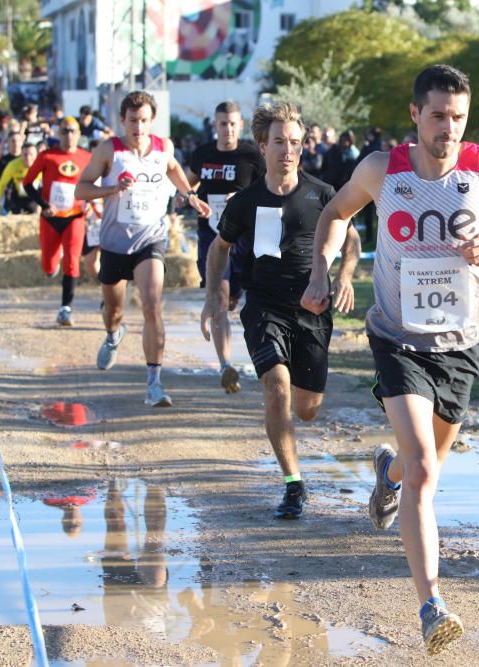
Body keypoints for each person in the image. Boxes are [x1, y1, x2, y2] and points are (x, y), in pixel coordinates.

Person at [301, 64, 479, 654]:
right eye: (438, 116)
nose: (449, 128)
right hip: (397, 336)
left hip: (461, 341)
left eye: (458, 117)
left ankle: (387, 476)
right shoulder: (383, 169)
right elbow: (336, 214)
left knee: (420, 464)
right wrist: (322, 266)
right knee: (427, 471)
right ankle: (432, 605)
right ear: (416, 115)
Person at [200, 101, 361, 519]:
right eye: (278, 142)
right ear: (262, 146)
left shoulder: (323, 195)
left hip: (312, 308)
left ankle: (289, 424)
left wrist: (343, 277)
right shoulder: (245, 202)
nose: (287, 150)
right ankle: (293, 483)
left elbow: (353, 241)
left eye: (294, 142)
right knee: (276, 387)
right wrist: (213, 293)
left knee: (307, 410)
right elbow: (219, 249)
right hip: (264, 305)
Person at [75, 91, 210, 407]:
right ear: (123, 121)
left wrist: (190, 195)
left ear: (152, 121)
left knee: (152, 304)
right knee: (114, 311)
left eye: (144, 120)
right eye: (133, 121)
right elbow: (81, 189)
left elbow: (174, 168)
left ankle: (154, 383)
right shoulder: (110, 149)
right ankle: (112, 335)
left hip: (150, 238)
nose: (138, 127)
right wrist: (112, 189)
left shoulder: (163, 147)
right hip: (113, 244)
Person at [187, 101, 266, 394]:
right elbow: (187, 184)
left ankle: (233, 301)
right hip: (212, 236)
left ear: (241, 125)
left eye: (233, 124)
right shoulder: (203, 154)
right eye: (223, 124)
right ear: (215, 125)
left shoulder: (251, 155)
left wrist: (242, 196)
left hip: (245, 238)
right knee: (219, 299)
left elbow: (267, 188)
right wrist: (190, 197)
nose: (228, 129)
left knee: (233, 299)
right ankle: (225, 365)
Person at [22, 117, 92, 326]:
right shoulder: (47, 156)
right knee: (49, 265)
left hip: (75, 216)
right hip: (51, 218)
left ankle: (65, 309)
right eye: (65, 131)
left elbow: (96, 183)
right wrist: (43, 205)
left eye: (72, 131)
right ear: (58, 133)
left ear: (79, 134)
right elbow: (27, 183)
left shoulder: (87, 157)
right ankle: (52, 266)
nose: (69, 135)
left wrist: (89, 201)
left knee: (72, 262)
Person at [0, 142, 41, 215]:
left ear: (36, 155)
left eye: (31, 155)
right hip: (18, 195)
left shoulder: (41, 164)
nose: (28, 158)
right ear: (21, 154)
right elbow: (1, 185)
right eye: (25, 155)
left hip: (34, 196)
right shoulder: (13, 165)